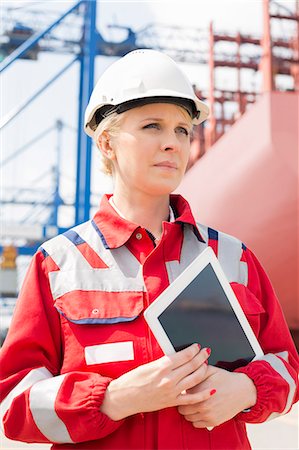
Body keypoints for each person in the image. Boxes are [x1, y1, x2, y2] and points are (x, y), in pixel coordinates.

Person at [0, 49, 298, 450]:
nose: (172, 144)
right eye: (153, 126)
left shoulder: (233, 258)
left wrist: (246, 389)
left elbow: (288, 367)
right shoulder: (59, 264)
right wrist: (112, 400)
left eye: (182, 130)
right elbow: (13, 402)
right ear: (107, 143)